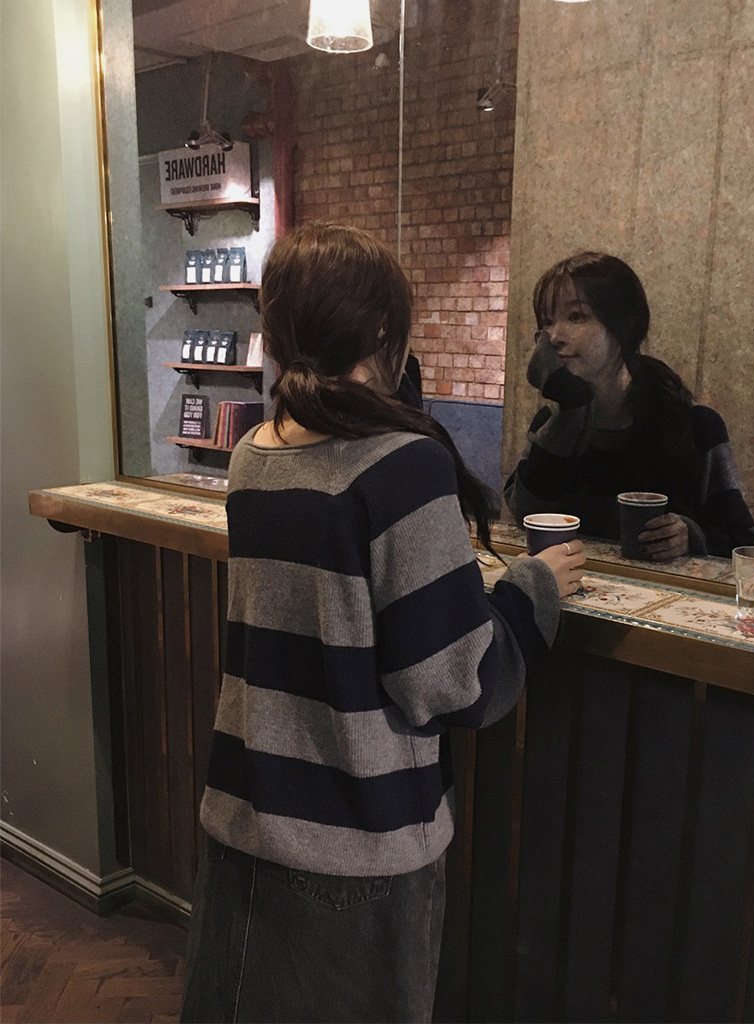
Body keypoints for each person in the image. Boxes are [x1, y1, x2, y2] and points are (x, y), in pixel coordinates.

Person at [181, 223, 586, 1024]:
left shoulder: (255, 453)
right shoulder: (401, 465)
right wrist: (534, 587)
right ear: (379, 331)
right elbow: (454, 681)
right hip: (353, 847)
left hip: (245, 822)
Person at [504, 252, 754, 560]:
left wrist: (690, 536)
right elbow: (525, 516)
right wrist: (570, 410)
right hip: (569, 585)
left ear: (626, 324)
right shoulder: (551, 423)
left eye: (576, 316)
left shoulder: (696, 426)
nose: (555, 336)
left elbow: (745, 542)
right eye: (547, 321)